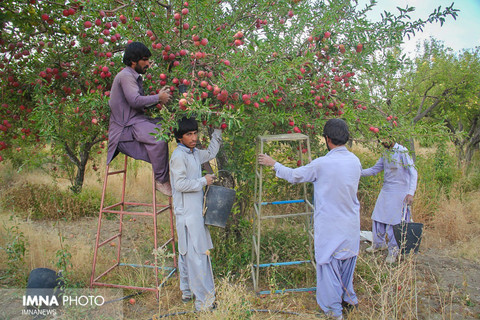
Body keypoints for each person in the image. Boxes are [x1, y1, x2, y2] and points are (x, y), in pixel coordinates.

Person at [258, 118, 361, 319]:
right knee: (347, 263)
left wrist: (274, 163)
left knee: (329, 266)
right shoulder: (354, 161)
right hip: (350, 225)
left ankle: (334, 311)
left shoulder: (322, 164)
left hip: (330, 225)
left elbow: (295, 175)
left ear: (327, 139)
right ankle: (349, 300)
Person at [169, 117, 222, 311]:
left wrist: (218, 130)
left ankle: (187, 292)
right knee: (197, 255)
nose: (193, 137)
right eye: (188, 134)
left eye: (194, 133)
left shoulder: (193, 153)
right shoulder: (178, 157)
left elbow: (210, 153)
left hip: (193, 212)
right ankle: (204, 302)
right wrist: (203, 181)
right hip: (187, 214)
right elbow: (180, 184)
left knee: (187, 253)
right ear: (179, 137)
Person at [106, 41, 172, 196]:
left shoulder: (131, 76)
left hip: (135, 124)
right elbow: (134, 101)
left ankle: (165, 175)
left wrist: (158, 98)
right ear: (134, 61)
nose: (148, 63)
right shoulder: (125, 76)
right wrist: (158, 97)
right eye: (145, 59)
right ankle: (161, 180)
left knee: (167, 127)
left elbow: (137, 105)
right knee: (159, 138)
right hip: (126, 130)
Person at [361, 139, 418, 264]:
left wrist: (410, 192)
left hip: (400, 191)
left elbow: (413, 172)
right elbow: (375, 169)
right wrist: (358, 172)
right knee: (378, 217)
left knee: (394, 222)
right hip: (387, 189)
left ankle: (393, 251)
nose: (382, 142)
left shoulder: (402, 151)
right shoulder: (385, 153)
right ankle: (379, 244)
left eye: (384, 139)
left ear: (392, 138)